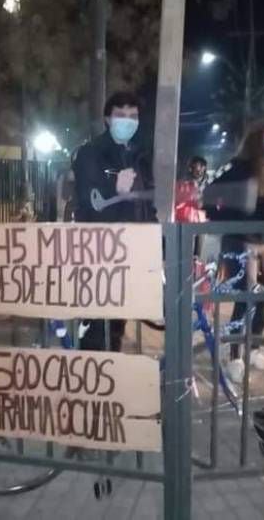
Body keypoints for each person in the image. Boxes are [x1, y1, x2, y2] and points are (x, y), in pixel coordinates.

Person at [203, 118, 264, 383]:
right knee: (245, 300)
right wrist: (229, 224)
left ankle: (253, 349)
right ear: (258, 139)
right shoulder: (240, 168)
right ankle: (234, 357)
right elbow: (209, 196)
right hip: (239, 243)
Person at [72, 91, 155, 352]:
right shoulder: (90, 154)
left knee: (117, 329)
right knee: (97, 332)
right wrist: (114, 191)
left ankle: (108, 385)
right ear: (107, 119)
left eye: (133, 116)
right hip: (98, 259)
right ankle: (90, 389)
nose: (127, 121)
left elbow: (147, 204)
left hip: (129, 256)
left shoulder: (139, 156)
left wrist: (154, 248)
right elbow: (88, 206)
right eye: (121, 115)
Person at [175, 156, 208, 223]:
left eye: (202, 168)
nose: (200, 172)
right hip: (183, 224)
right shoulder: (181, 184)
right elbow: (176, 203)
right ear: (190, 168)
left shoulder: (204, 186)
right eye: (198, 168)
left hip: (199, 224)